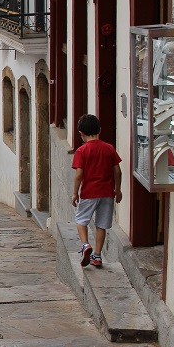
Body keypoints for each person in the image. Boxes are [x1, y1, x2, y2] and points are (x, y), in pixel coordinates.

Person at [71, 113, 122, 268]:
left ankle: (85, 245)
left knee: (81, 220)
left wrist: (75, 193)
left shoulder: (82, 151)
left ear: (81, 133)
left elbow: (79, 174)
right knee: (101, 225)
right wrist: (117, 190)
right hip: (107, 193)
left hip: (89, 192)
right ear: (99, 129)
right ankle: (97, 256)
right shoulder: (109, 148)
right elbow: (118, 171)